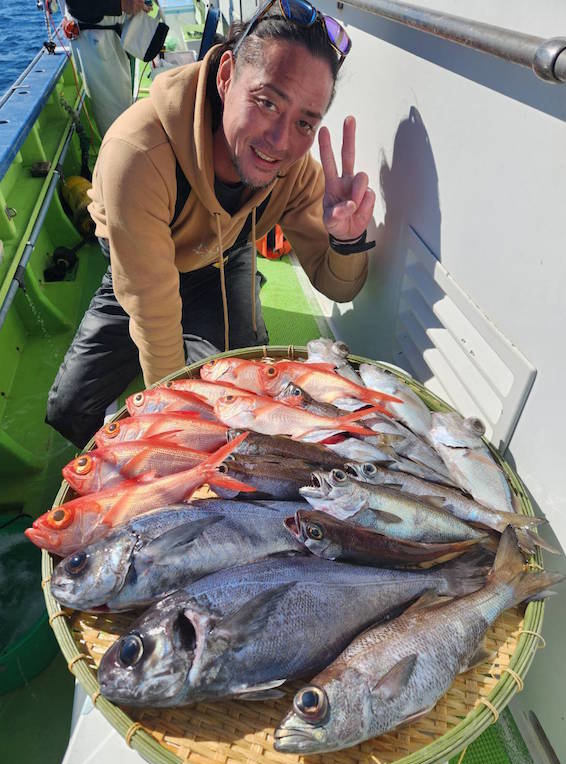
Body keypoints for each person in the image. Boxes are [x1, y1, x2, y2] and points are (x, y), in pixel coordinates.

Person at [46, 0, 377, 449]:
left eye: (304, 122)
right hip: (140, 269)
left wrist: (348, 238)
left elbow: (338, 287)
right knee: (68, 410)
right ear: (226, 77)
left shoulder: (296, 170)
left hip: (222, 259)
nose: (280, 142)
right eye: (266, 102)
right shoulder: (137, 154)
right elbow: (153, 311)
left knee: (241, 397)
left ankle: (245, 295)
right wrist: (179, 437)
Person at [65, 0, 151, 136]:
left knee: (123, 110)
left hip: (113, 31)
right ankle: (120, 153)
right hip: (97, 39)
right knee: (117, 120)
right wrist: (122, 4)